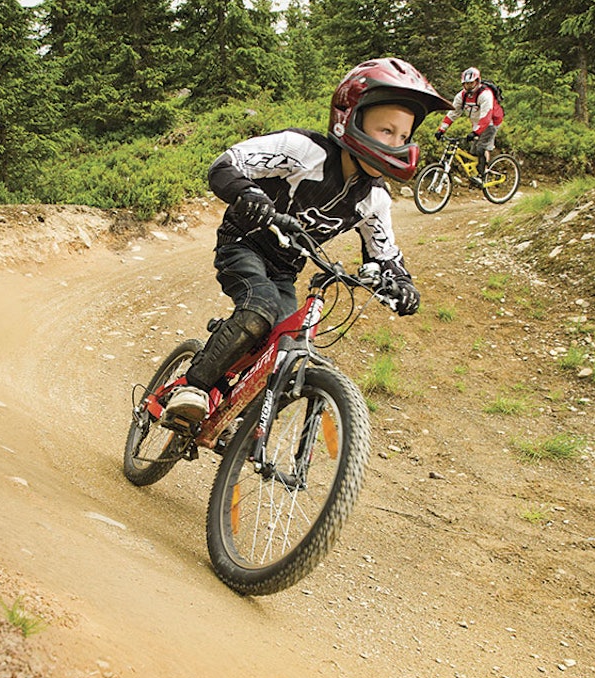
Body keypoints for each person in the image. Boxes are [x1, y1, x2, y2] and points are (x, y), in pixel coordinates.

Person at [163, 57, 452, 423]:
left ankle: (239, 418)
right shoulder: (303, 149)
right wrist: (250, 195)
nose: (397, 144)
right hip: (244, 243)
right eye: (386, 131)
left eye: (404, 137)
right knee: (259, 309)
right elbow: (227, 164)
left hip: (286, 267)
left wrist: (402, 284)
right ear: (352, 118)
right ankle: (193, 387)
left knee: (289, 344)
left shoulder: (375, 199)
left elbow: (385, 253)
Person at [434, 67, 501, 188]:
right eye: (466, 84)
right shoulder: (461, 96)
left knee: (481, 148)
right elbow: (453, 113)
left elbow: (486, 116)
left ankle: (483, 174)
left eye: (471, 83)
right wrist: (441, 129)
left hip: (492, 121)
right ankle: (475, 176)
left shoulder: (485, 95)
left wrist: (476, 132)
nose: (469, 86)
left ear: (477, 81)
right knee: (473, 151)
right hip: (476, 122)